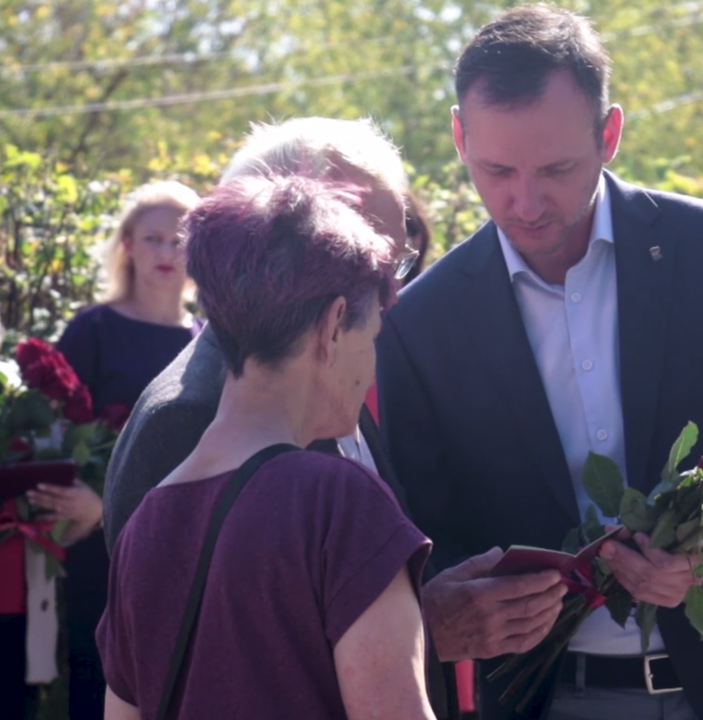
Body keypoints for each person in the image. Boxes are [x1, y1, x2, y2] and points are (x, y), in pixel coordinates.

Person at [376, 5, 703, 720]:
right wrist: (455, 604)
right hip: (547, 699)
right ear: (458, 136)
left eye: (557, 168)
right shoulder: (418, 324)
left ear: (609, 135)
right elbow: (427, 536)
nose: (526, 201)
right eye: (497, 170)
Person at [100, 117, 567, 719]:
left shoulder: (162, 507)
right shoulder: (214, 432)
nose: (390, 293)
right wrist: (415, 626)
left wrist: (410, 608)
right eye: (368, 266)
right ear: (330, 319)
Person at [97, 174, 436, 720]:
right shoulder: (340, 502)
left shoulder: (148, 520)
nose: (372, 365)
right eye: (370, 337)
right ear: (330, 329)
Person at [26, 180, 202, 720]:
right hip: (95, 559)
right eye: (153, 238)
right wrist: (84, 502)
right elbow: (45, 438)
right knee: (94, 688)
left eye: (180, 240)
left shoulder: (208, 342)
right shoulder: (92, 329)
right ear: (127, 244)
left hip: (178, 554)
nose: (167, 252)